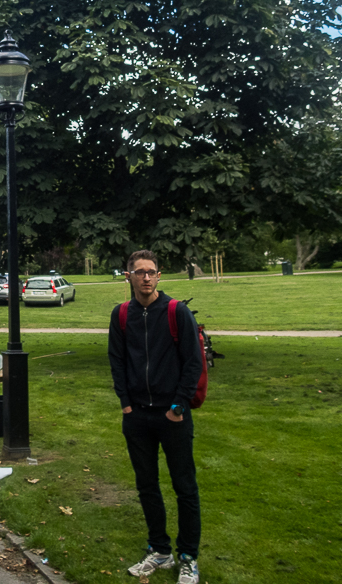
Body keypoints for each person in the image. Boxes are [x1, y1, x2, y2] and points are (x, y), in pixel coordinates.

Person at [108, 249, 202, 584]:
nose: (146, 277)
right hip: (137, 417)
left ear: (159, 276)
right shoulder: (121, 315)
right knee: (147, 485)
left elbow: (193, 363)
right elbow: (116, 361)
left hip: (172, 415)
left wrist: (178, 406)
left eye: (152, 272)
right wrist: (125, 403)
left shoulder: (177, 311)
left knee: (184, 486)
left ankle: (188, 556)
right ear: (128, 276)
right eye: (139, 272)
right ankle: (159, 550)